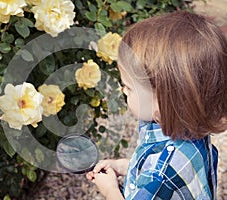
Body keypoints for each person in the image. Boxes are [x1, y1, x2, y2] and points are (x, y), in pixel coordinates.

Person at [86, 11, 227, 200]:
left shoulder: (161, 177)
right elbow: (161, 169)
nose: (123, 90)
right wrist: (124, 166)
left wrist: (110, 190)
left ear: (166, 99)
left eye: (129, 86)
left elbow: (161, 175)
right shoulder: (189, 124)